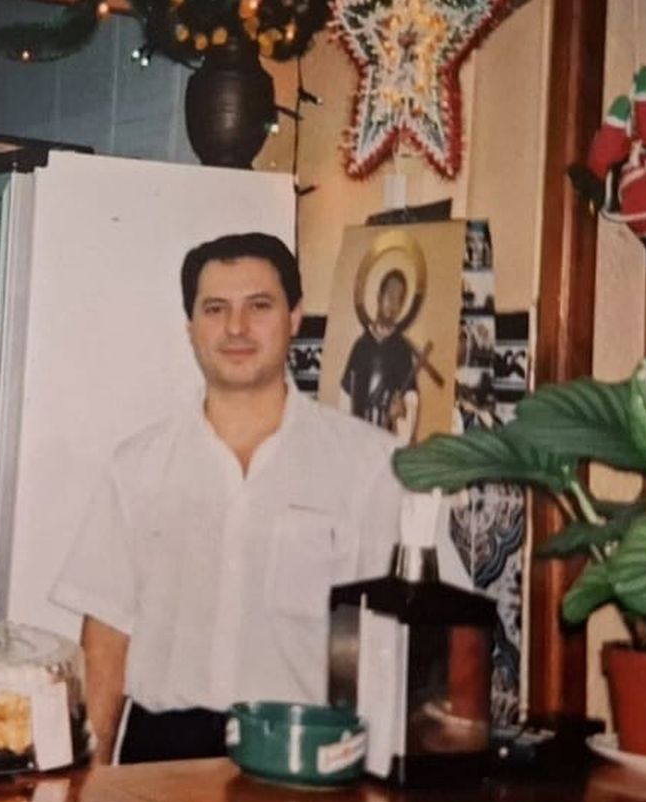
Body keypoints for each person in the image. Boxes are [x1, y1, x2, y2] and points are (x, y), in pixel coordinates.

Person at [51, 233, 406, 764]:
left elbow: (394, 645)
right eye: (215, 309)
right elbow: (105, 640)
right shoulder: (139, 466)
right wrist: (89, 787)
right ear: (191, 328)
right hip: (162, 760)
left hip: (304, 748)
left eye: (258, 306)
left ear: (294, 318)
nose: (236, 328)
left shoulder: (367, 467)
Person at [340, 268, 424, 441]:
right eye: (390, 295)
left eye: (399, 299)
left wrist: (401, 414)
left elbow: (411, 399)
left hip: (387, 439)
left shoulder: (401, 350)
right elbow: (346, 395)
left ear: (402, 307)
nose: (393, 304)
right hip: (360, 438)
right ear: (379, 296)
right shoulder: (361, 346)